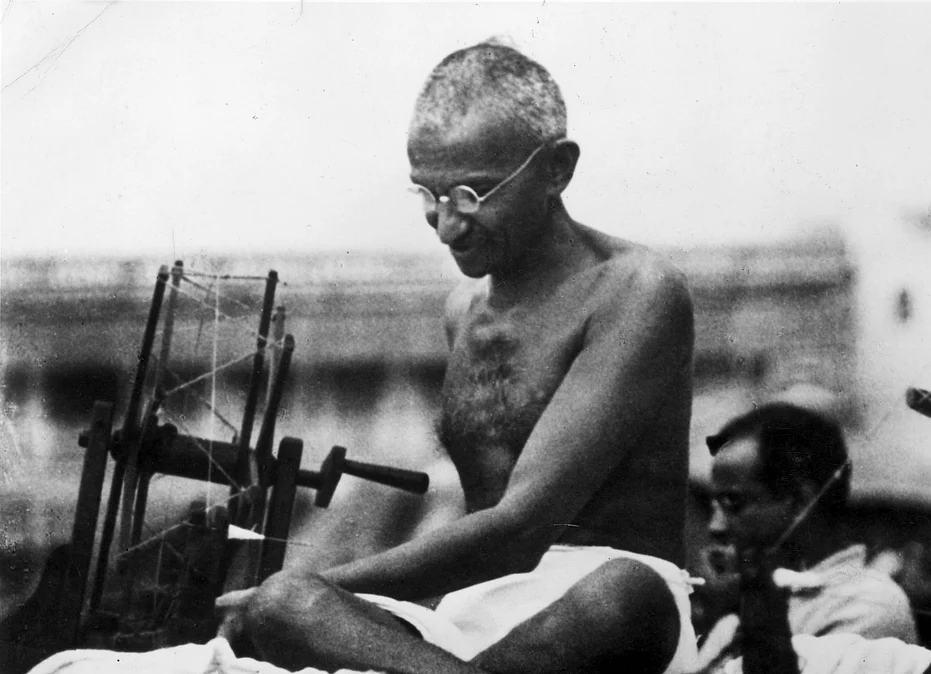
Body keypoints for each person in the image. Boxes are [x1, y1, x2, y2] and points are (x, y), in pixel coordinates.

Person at [216, 41, 698, 674]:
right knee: (284, 602)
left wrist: (332, 584)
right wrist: (299, 597)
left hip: (600, 615)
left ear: (557, 169)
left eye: (473, 193)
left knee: (625, 592)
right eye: (429, 194)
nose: (447, 226)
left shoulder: (636, 290)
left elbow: (521, 528)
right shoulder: (462, 311)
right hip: (466, 623)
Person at [693, 401, 918, 672]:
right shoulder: (736, 616)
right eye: (713, 506)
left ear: (801, 502)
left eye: (733, 502)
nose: (715, 527)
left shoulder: (866, 605)